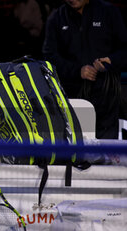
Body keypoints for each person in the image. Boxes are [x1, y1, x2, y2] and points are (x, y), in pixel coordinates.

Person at [42, 0, 127, 139]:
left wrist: (111, 61)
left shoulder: (109, 12)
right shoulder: (56, 18)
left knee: (106, 152)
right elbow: (49, 57)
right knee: (76, 149)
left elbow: (124, 50)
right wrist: (77, 71)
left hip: (106, 95)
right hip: (72, 97)